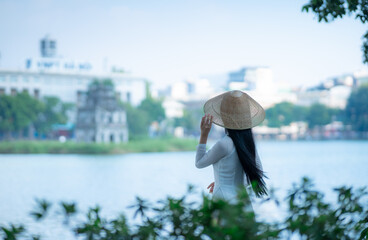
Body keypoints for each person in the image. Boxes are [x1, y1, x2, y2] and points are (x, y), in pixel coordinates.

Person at [195, 90, 268, 204]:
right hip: (242, 201)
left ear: (223, 116)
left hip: (223, 201)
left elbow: (199, 163)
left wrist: (204, 134)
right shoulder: (248, 142)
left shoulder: (224, 144)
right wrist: (227, 182)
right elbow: (257, 173)